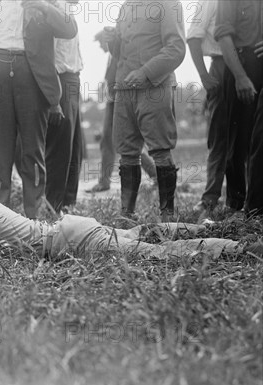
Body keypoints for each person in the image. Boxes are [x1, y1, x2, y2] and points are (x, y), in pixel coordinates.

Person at [0, 156, 263, 260]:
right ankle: (211, 229)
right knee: (142, 234)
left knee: (157, 254)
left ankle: (240, 248)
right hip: (72, 230)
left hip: (75, 242)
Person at [0, 0, 77, 219]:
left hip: (32, 76)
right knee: (0, 151)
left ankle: (35, 219)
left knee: (33, 151)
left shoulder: (46, 3)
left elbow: (69, 29)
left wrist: (42, 4)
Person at [102, 1, 186, 222]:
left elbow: (176, 48)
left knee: (160, 150)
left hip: (154, 87)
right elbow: (120, 52)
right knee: (127, 152)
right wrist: (113, 42)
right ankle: (127, 215)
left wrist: (145, 73)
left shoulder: (168, 4)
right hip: (124, 88)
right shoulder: (126, 6)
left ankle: (167, 216)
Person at [85, 48, 157, 194]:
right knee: (113, 141)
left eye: (101, 42)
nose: (100, 46)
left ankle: (155, 174)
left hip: (121, 95)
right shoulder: (113, 52)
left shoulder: (123, 46)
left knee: (125, 142)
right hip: (114, 97)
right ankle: (155, 174)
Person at [215, 1, 263, 218]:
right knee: (238, 139)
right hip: (242, 64)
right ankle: (236, 204)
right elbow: (224, 36)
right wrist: (240, 76)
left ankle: (256, 204)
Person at [187, 0, 232, 222]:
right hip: (222, 67)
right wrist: (204, 76)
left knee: (249, 139)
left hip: (252, 66)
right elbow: (193, 37)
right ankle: (211, 197)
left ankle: (240, 198)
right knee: (219, 137)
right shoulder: (210, 1)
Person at [41, 0, 84, 213]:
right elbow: (48, 56)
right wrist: (53, 98)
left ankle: (68, 203)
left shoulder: (66, 7)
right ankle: (53, 205)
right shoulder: (53, 9)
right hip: (60, 80)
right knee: (60, 148)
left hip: (73, 79)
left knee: (75, 148)